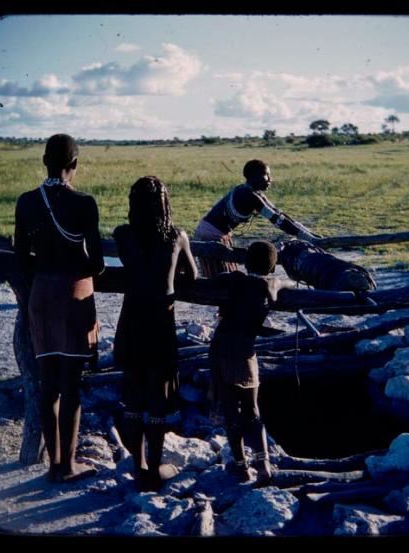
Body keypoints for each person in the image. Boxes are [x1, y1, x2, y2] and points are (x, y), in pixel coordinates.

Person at [14, 134, 105, 483]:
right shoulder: (85, 204)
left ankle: (53, 464)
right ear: (76, 165)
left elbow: (22, 259)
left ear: (43, 161)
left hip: (40, 294)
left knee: (47, 382)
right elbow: (96, 263)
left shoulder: (26, 202)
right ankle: (68, 465)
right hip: (73, 294)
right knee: (71, 384)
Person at [113, 176, 198, 492]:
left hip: (132, 318)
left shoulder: (122, 235)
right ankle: (155, 465)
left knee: (133, 392)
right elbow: (193, 274)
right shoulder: (177, 237)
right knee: (159, 397)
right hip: (160, 321)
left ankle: (138, 466)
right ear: (166, 205)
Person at [208, 241, 295, 484]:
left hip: (221, 346)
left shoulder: (233, 278)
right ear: (273, 265)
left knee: (230, 410)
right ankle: (263, 463)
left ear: (246, 262)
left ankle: (241, 466)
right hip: (244, 349)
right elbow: (283, 287)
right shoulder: (269, 283)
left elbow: (214, 282)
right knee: (251, 409)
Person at [193, 159, 322, 277]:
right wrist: (310, 239)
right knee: (221, 281)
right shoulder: (249, 196)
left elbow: (280, 215)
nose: (270, 179)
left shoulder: (253, 192)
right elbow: (278, 221)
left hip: (216, 233)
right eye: (266, 175)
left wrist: (311, 235)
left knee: (227, 278)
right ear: (253, 176)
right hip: (210, 236)